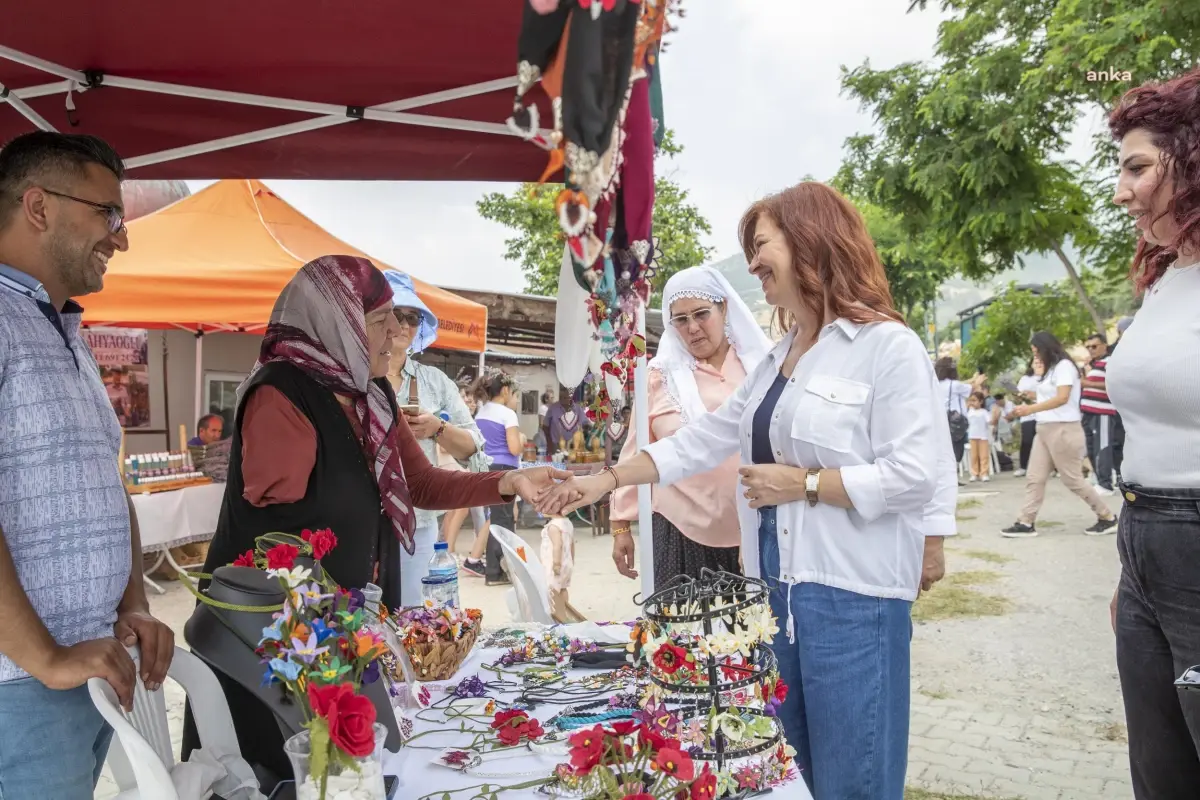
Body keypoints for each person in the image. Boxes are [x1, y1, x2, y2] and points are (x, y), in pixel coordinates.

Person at [539, 181, 957, 799]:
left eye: (761, 246)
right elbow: (701, 440)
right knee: (792, 774)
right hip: (777, 594)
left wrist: (805, 483)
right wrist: (606, 480)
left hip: (852, 598)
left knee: (856, 780)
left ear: (812, 240)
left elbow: (915, 475)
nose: (754, 262)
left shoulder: (885, 347)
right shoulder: (778, 357)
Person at [191, 255, 566, 777]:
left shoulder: (370, 394)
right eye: (377, 322)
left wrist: (508, 480)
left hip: (344, 618)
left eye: (396, 321)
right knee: (283, 766)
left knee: (351, 765)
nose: (394, 337)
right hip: (275, 631)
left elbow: (421, 483)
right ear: (332, 322)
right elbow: (275, 510)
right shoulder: (282, 390)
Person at [0, 131, 175, 798]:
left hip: (86, 669)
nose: (121, 238)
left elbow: (108, 483)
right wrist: (43, 656)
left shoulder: (57, 327)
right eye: (108, 214)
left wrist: (131, 602)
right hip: (20, 685)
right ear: (38, 207)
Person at [1105, 66, 1200, 800]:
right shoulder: (1168, 276)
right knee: (1161, 775)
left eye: (1138, 166)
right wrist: (1134, 576)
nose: (1121, 190)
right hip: (1145, 540)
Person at [609, 265, 772, 589]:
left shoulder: (762, 367)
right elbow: (637, 448)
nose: (693, 328)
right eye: (680, 320)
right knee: (679, 635)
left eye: (701, 314)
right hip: (678, 530)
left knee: (754, 634)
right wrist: (620, 524)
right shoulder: (660, 376)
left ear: (724, 307)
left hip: (753, 529)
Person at [382, 269, 490, 606]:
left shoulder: (433, 381)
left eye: (412, 317)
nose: (403, 324)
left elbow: (474, 445)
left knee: (421, 616)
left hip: (419, 519)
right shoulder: (355, 377)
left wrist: (436, 429)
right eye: (395, 314)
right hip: (361, 517)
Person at [1003, 331, 1117, 537]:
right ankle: (1025, 521)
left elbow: (1062, 398)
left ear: (1046, 348)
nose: (1035, 356)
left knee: (1072, 479)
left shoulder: (1064, 367)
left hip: (1063, 428)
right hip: (1045, 428)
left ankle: (1107, 516)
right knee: (1034, 477)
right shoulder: (1049, 371)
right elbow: (1045, 397)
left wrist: (1030, 410)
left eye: (1036, 351)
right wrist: (1027, 396)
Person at [472, 368, 525, 586]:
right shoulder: (507, 414)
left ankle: (494, 570)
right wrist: (522, 439)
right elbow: (514, 448)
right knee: (504, 521)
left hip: (486, 468)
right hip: (505, 469)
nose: (515, 400)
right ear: (504, 391)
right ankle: (498, 570)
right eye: (514, 395)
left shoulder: (481, 412)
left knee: (496, 517)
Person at [440, 375, 491, 576]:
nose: (468, 402)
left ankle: (447, 549)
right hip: (453, 465)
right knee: (459, 509)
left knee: (455, 510)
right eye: (464, 397)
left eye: (470, 399)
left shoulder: (466, 418)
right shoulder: (449, 415)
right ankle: (449, 550)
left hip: (457, 464)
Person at [1080, 333, 1120, 495]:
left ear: (1104, 345)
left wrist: (1086, 382)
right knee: (1090, 447)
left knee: (1102, 447)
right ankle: (1098, 478)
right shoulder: (1093, 365)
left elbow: (1112, 384)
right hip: (1088, 411)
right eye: (1088, 347)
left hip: (1103, 412)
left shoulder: (1110, 362)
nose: (1091, 350)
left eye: (1094, 346)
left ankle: (1106, 483)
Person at [539, 515, 581, 622]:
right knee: (563, 588)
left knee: (552, 591)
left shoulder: (553, 526)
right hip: (567, 563)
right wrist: (571, 560)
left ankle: (556, 615)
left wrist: (556, 564)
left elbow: (558, 545)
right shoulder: (568, 523)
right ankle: (565, 611)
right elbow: (572, 545)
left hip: (553, 565)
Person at [935, 357, 972, 473]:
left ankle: (947, 473)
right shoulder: (954, 385)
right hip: (954, 421)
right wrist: (977, 379)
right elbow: (970, 388)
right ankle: (953, 472)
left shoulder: (935, 384)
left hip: (940, 419)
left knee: (944, 449)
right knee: (957, 447)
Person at [544, 384, 586, 453]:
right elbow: (545, 426)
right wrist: (549, 444)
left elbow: (585, 425)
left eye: (565, 397)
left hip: (574, 446)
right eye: (561, 397)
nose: (562, 400)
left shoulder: (578, 409)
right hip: (556, 445)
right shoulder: (553, 408)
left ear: (571, 397)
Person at [966, 391, 991, 482]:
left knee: (983, 456)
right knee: (974, 456)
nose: (972, 402)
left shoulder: (984, 412)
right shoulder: (969, 412)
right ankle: (974, 473)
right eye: (971, 400)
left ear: (981, 401)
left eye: (975, 400)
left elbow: (989, 421)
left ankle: (984, 473)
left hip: (983, 436)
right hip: (972, 436)